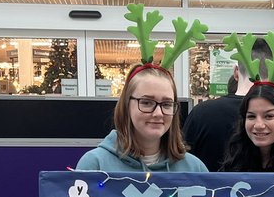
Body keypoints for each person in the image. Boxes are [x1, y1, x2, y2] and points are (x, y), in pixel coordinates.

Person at [77, 64, 207, 173]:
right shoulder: (95, 165)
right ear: (127, 105)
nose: (158, 113)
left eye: (167, 104)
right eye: (146, 102)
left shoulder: (195, 168)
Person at [183, 39, 272, 171]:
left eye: (268, 116)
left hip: (207, 190)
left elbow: (182, 165)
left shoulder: (201, 113)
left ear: (236, 72)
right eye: (251, 116)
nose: (258, 124)